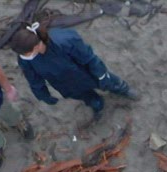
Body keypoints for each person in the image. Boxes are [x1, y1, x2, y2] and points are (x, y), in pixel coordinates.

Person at [8, 22, 138, 123]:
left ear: (36, 46)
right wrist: (43, 94)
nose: (23, 57)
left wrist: (102, 75)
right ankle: (97, 103)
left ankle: (122, 89)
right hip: (66, 84)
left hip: (87, 73)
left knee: (109, 82)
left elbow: (90, 58)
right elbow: (34, 79)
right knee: (86, 96)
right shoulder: (26, 59)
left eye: (26, 53)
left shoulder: (64, 40)